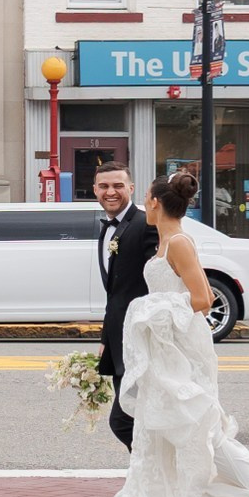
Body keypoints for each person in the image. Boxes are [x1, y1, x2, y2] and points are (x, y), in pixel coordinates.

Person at [102, 168, 249, 497]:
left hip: (180, 357)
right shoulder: (164, 242)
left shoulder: (179, 244)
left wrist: (150, 307)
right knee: (156, 434)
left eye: (146, 198)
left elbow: (203, 299)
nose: (144, 204)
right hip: (162, 351)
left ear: (155, 203)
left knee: (200, 433)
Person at [92, 161, 156, 451]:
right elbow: (115, 294)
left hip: (143, 341)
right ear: (95, 190)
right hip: (120, 341)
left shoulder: (146, 226)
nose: (111, 192)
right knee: (135, 419)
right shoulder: (107, 229)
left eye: (118, 185)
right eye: (104, 186)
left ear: (131, 188)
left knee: (124, 420)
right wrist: (106, 338)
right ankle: (150, 478)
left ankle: (160, 470)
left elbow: (159, 282)